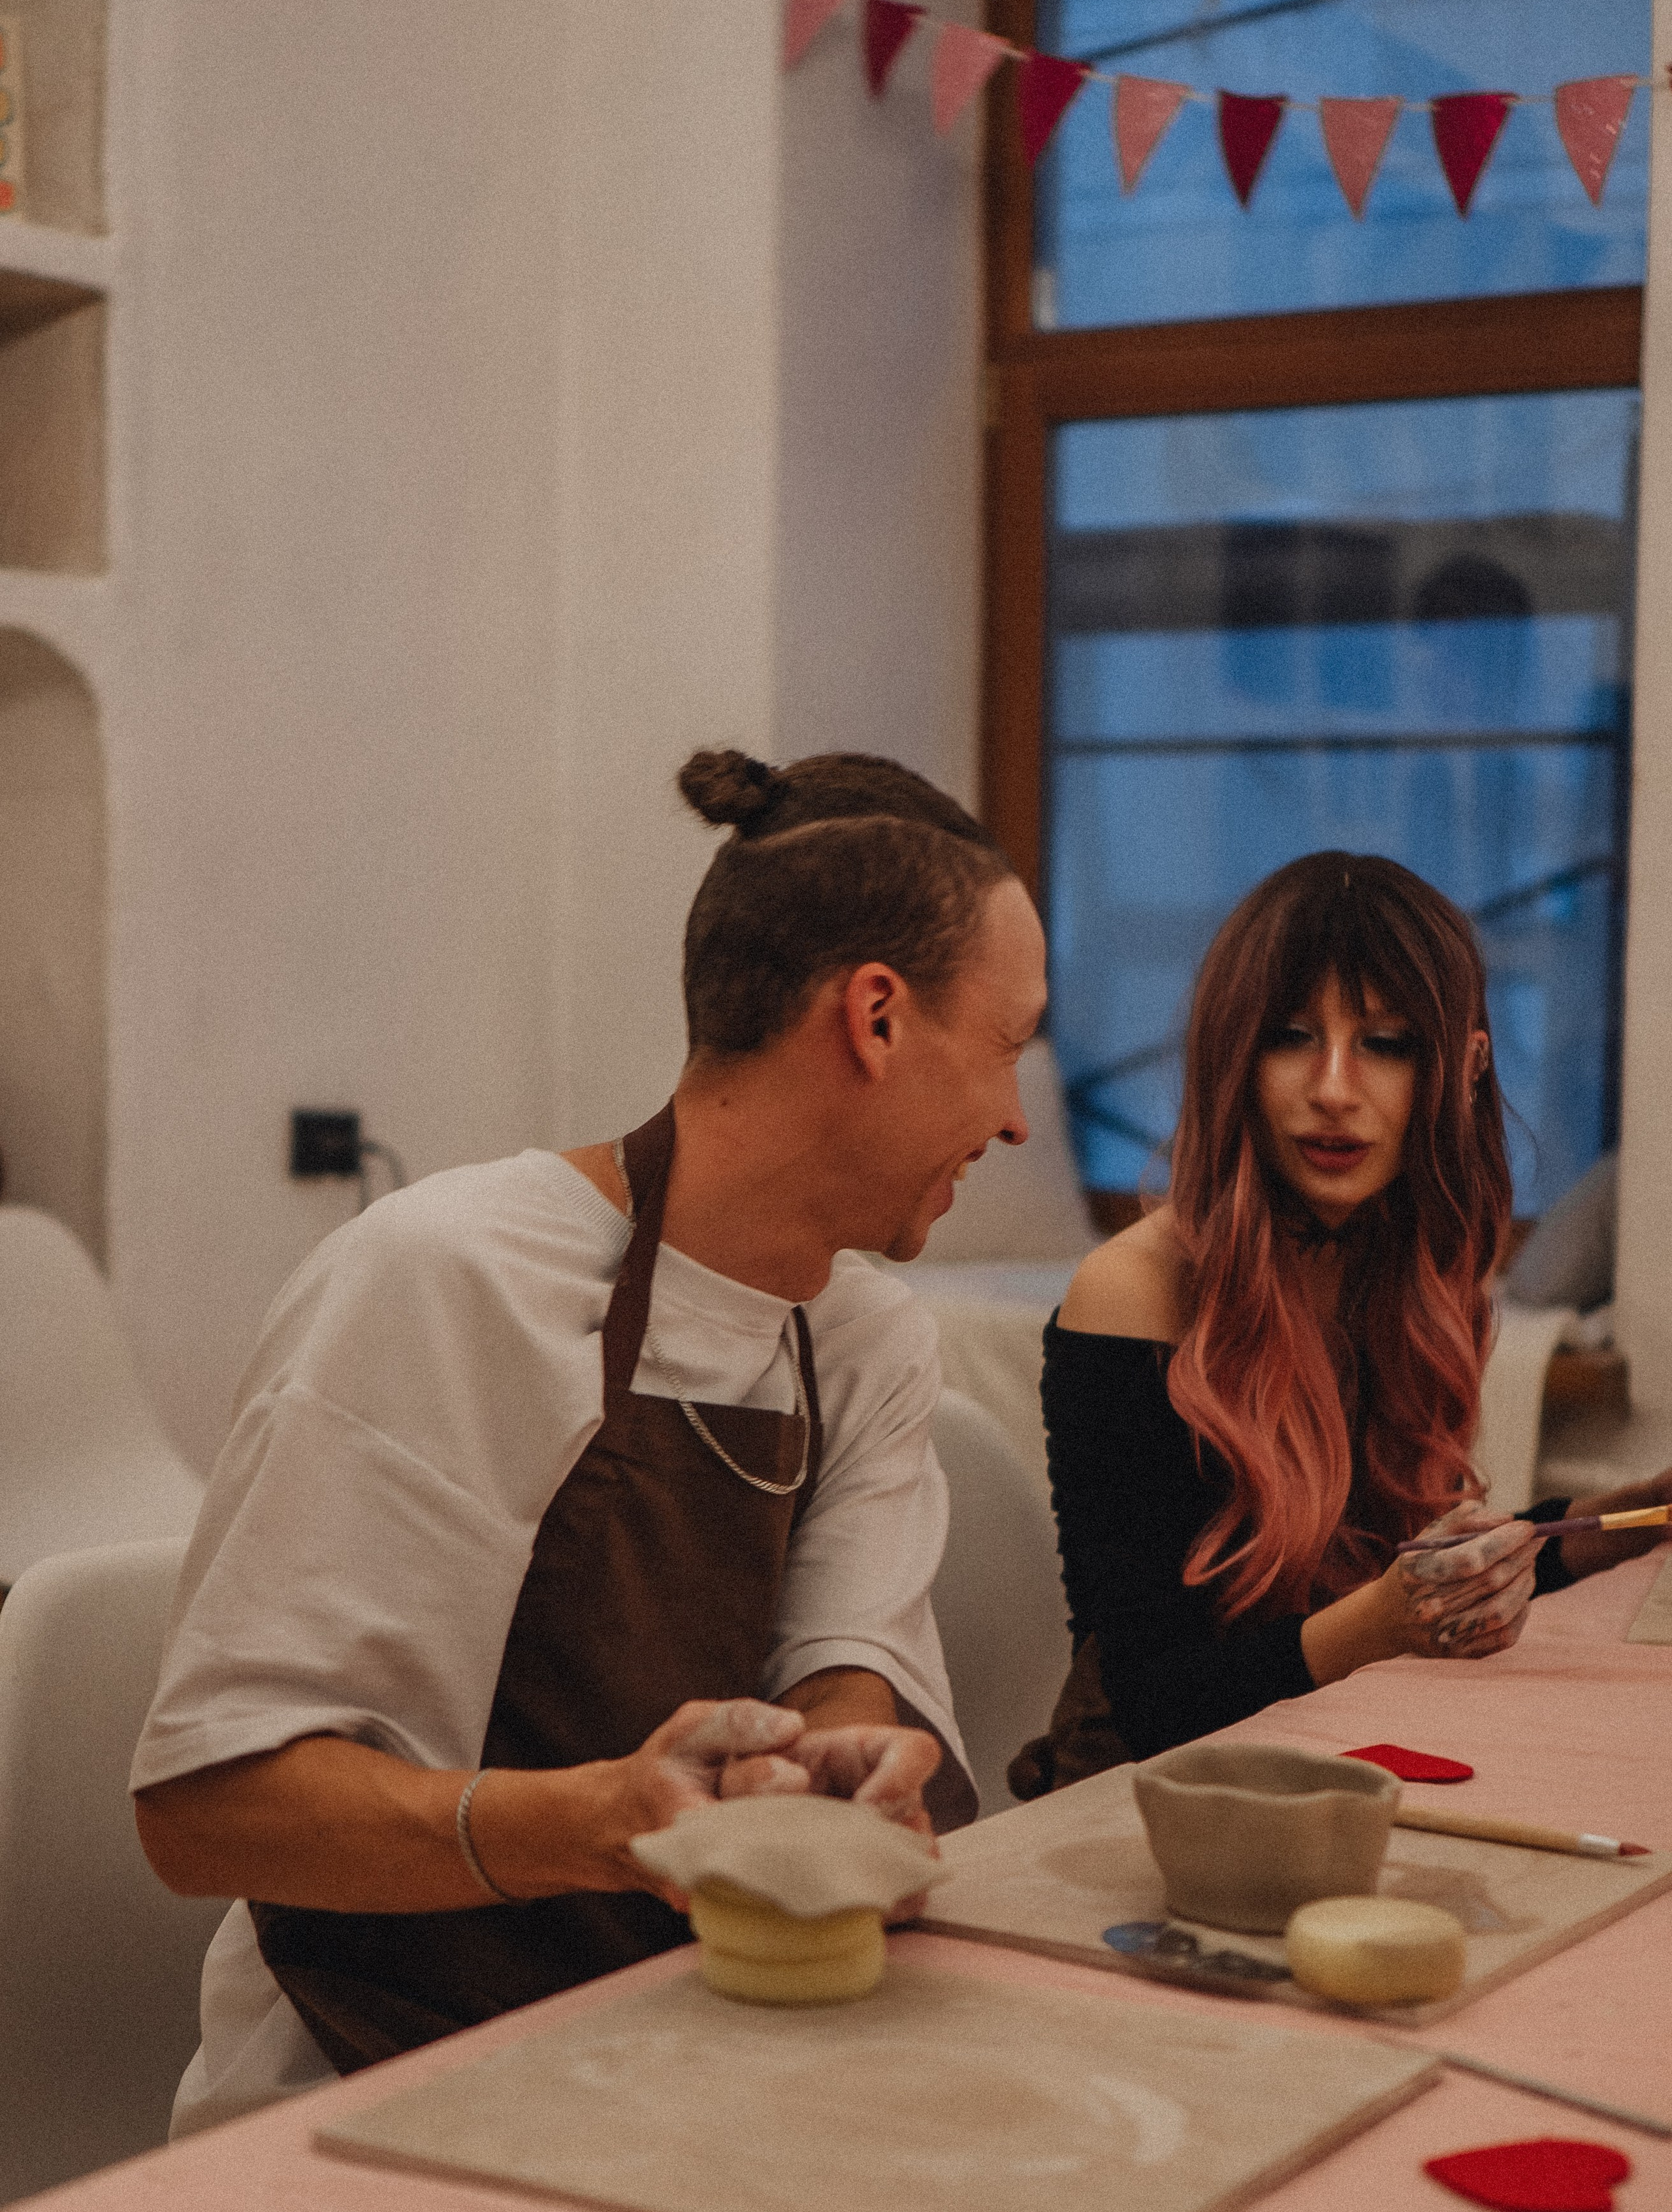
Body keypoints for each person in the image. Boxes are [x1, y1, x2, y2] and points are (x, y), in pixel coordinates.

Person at [134, 746, 1048, 2127]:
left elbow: (843, 1674)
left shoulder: (864, 1335)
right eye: (1005, 1046)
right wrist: (594, 1824)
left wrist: (848, 1772)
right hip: (379, 2082)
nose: (1015, 1118)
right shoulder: (449, 1281)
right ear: (873, 1018)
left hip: (705, 2052)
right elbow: (209, 1813)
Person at [1014, 851, 1671, 1793]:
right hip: (1139, 1802)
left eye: (1387, 1043)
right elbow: (1154, 1704)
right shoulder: (1130, 1293)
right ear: (1233, 1059)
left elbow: (1397, 1576)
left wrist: (1627, 1517)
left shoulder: (1404, 1267)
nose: (1333, 1087)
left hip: (1338, 1758)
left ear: (1465, 1068)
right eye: (1290, 1037)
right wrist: (1392, 1620)